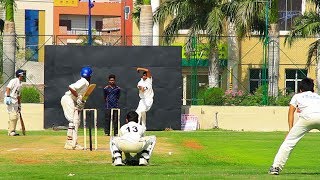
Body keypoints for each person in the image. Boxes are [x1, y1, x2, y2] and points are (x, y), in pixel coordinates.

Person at [269, 78, 320, 175]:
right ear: (312, 89)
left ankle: (276, 167)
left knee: (288, 142)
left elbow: (291, 112)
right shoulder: (317, 96)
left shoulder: (297, 96)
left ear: (300, 89)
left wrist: (290, 130)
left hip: (306, 118)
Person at [61, 66, 93, 150]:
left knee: (76, 122)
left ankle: (73, 142)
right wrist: (78, 96)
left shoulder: (86, 83)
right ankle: (70, 143)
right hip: (68, 99)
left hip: (71, 101)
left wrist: (80, 104)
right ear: (90, 76)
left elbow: (81, 98)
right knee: (73, 121)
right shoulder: (84, 81)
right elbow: (71, 87)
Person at [4, 69, 24, 136]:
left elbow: (18, 95)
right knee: (13, 115)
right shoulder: (14, 80)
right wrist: (8, 96)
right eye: (22, 74)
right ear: (19, 75)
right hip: (10, 99)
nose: (23, 76)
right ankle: (11, 131)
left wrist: (19, 104)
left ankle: (12, 131)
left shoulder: (20, 83)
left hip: (15, 100)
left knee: (16, 116)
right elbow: (8, 88)